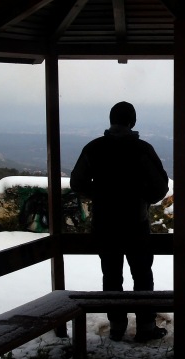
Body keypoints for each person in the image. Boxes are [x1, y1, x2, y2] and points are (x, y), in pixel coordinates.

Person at [70, 101, 170, 343]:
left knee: (111, 275)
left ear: (111, 120)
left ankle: (117, 326)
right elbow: (160, 187)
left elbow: (77, 181)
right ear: (132, 122)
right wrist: (141, 196)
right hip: (136, 223)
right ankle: (146, 327)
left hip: (104, 224)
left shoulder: (94, 148)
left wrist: (99, 193)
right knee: (142, 275)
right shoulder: (142, 149)